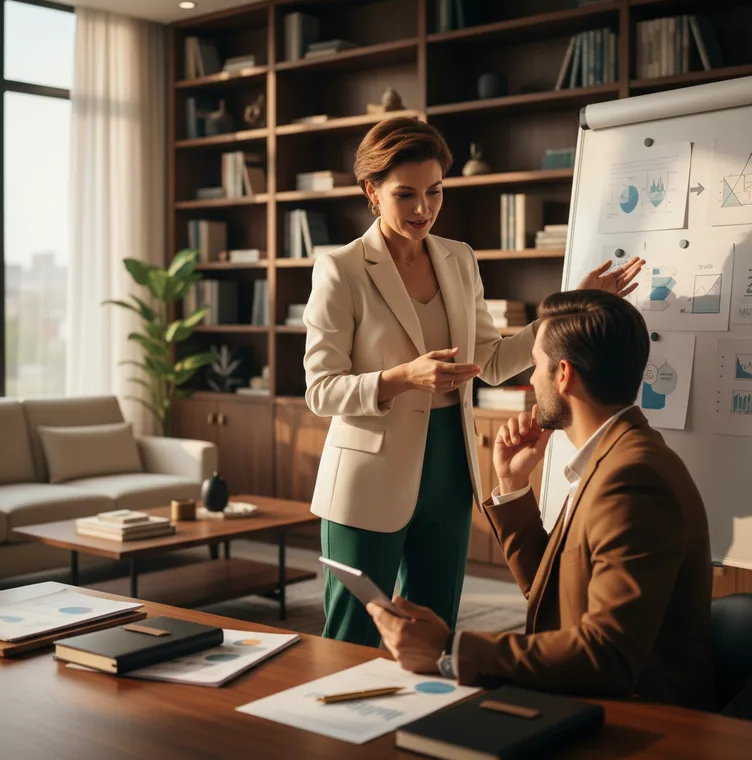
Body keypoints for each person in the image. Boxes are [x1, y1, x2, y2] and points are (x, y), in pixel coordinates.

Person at [303, 117, 644, 647]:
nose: (423, 209)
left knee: (435, 627)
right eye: (406, 195)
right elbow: (321, 389)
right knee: (353, 633)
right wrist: (403, 378)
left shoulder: (458, 259)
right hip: (367, 476)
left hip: (450, 468)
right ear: (371, 191)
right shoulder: (341, 269)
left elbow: (492, 358)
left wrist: (573, 306)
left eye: (435, 192)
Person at [367, 290, 715, 710]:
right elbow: (555, 594)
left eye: (536, 364)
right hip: (589, 696)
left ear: (563, 374)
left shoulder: (632, 480)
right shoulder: (616, 456)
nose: (531, 379)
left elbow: (608, 657)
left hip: (636, 719)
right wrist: (513, 484)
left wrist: (451, 650)